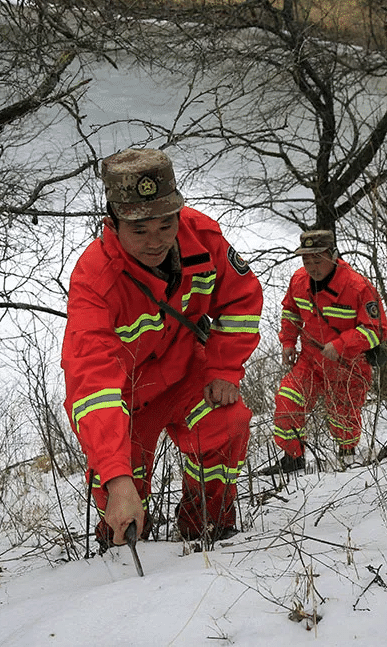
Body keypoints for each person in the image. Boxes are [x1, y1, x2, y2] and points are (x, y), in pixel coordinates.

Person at [61, 148, 263, 550]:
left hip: (188, 375)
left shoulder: (203, 238)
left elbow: (241, 300)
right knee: (122, 494)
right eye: (139, 230)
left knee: (228, 424)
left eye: (165, 224)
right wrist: (117, 479)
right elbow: (92, 385)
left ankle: (207, 527)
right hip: (128, 401)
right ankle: (122, 549)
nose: (155, 241)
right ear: (113, 224)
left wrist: (223, 369)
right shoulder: (94, 280)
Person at [263, 230, 387, 474]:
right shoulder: (299, 281)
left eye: (317, 259)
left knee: (343, 414)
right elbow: (290, 311)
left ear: (333, 256)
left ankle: (347, 459)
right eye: (306, 260)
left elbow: (378, 330)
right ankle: (292, 459)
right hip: (310, 360)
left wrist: (341, 345)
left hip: (348, 365)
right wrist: (288, 342)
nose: (311, 266)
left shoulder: (358, 286)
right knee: (287, 401)